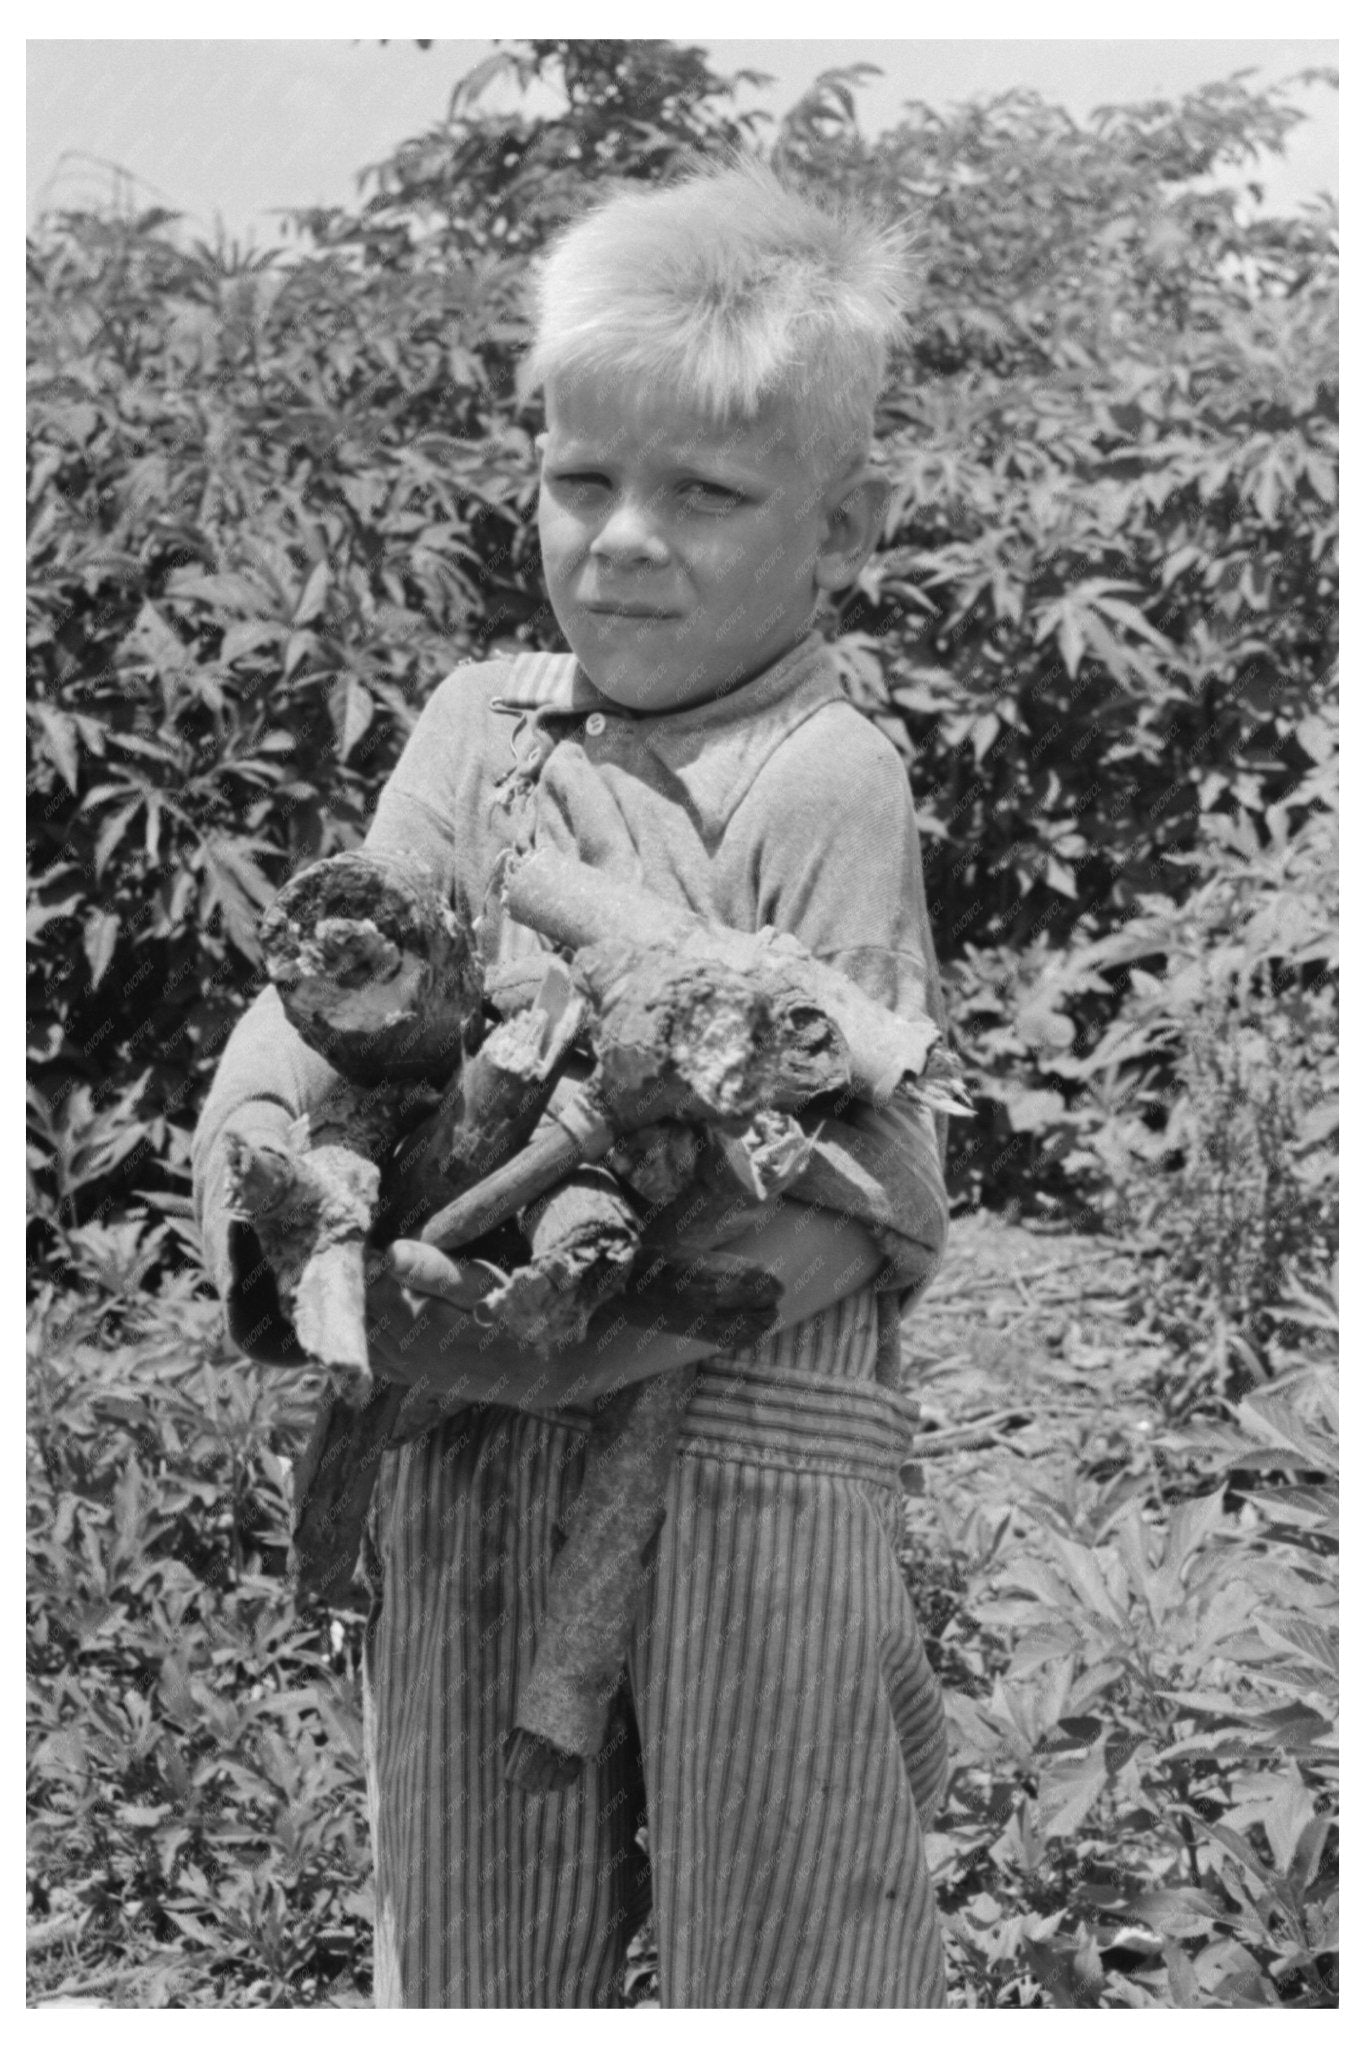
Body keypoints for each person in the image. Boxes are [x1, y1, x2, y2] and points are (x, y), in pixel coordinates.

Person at [193, 156, 952, 2009]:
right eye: (579, 480)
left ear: (841, 528)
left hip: (740, 1431)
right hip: (465, 1428)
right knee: (468, 1937)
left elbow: (863, 1184)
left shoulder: (821, 772)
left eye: (703, 493)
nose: (622, 537)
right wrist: (275, 1165)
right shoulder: (482, 733)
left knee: (790, 1923)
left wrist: (586, 1344)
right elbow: (333, 981)